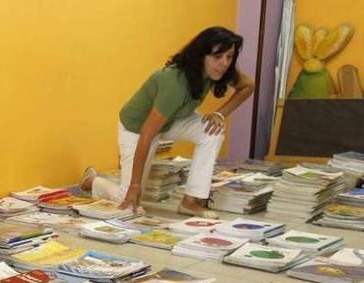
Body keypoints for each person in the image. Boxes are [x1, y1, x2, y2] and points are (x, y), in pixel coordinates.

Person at [80, 27, 255, 219]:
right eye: (218, 56)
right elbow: (147, 134)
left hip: (173, 118)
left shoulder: (219, 70)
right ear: (201, 55)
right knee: (128, 200)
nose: (224, 63)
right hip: (137, 128)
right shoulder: (174, 83)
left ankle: (191, 201)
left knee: (212, 132)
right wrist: (135, 186)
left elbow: (248, 86)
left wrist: (221, 114)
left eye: (229, 57)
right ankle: (93, 181)